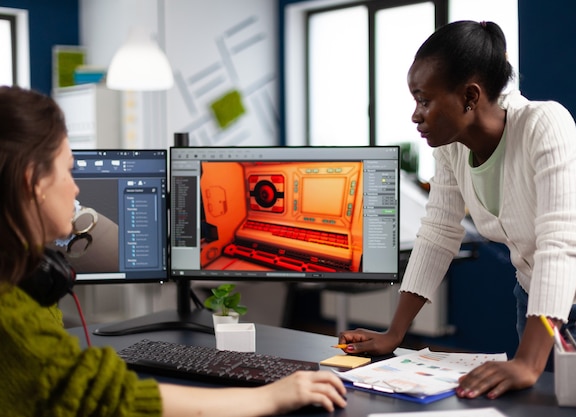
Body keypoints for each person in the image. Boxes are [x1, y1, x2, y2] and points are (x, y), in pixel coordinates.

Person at [0, 85, 347, 416]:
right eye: (68, 170)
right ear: (34, 181)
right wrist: (272, 396)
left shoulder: (19, 281)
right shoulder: (12, 314)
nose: (75, 187)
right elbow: (114, 398)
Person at [339, 20, 576, 399]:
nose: (415, 115)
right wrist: (395, 333)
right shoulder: (451, 146)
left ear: (469, 97)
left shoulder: (544, 124)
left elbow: (560, 243)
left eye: (424, 100)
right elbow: (439, 231)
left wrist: (527, 362)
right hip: (537, 304)